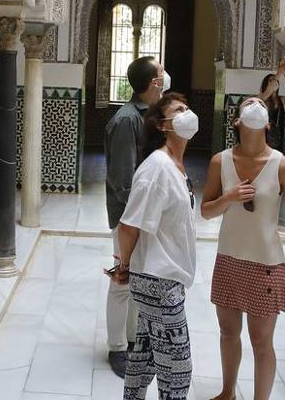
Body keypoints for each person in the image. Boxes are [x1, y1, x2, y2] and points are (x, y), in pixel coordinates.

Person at [201, 96, 285, 400]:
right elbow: (206, 211)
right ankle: (228, 392)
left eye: (260, 103)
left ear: (267, 122)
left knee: (261, 341)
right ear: (237, 120)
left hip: (265, 264)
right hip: (228, 259)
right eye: (247, 103)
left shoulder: (282, 166)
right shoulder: (220, 161)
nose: (255, 102)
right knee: (228, 333)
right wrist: (229, 198)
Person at [114, 92, 199, 400]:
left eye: (187, 108)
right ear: (163, 125)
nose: (187, 113)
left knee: (146, 356)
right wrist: (125, 266)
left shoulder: (175, 165)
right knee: (178, 370)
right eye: (179, 110)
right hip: (159, 282)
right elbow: (129, 224)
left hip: (162, 277)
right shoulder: (157, 167)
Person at [105, 56, 168, 377]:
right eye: (160, 73)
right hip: (128, 219)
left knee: (137, 281)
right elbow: (122, 181)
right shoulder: (126, 120)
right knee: (121, 282)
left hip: (142, 218)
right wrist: (138, 221)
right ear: (153, 83)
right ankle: (116, 348)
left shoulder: (146, 116)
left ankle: (131, 341)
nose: (164, 77)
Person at [256, 58, 285, 149]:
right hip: (264, 137)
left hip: (279, 137)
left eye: (275, 80)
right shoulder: (261, 97)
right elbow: (269, 90)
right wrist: (279, 73)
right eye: (270, 80)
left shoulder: (281, 99)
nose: (274, 82)